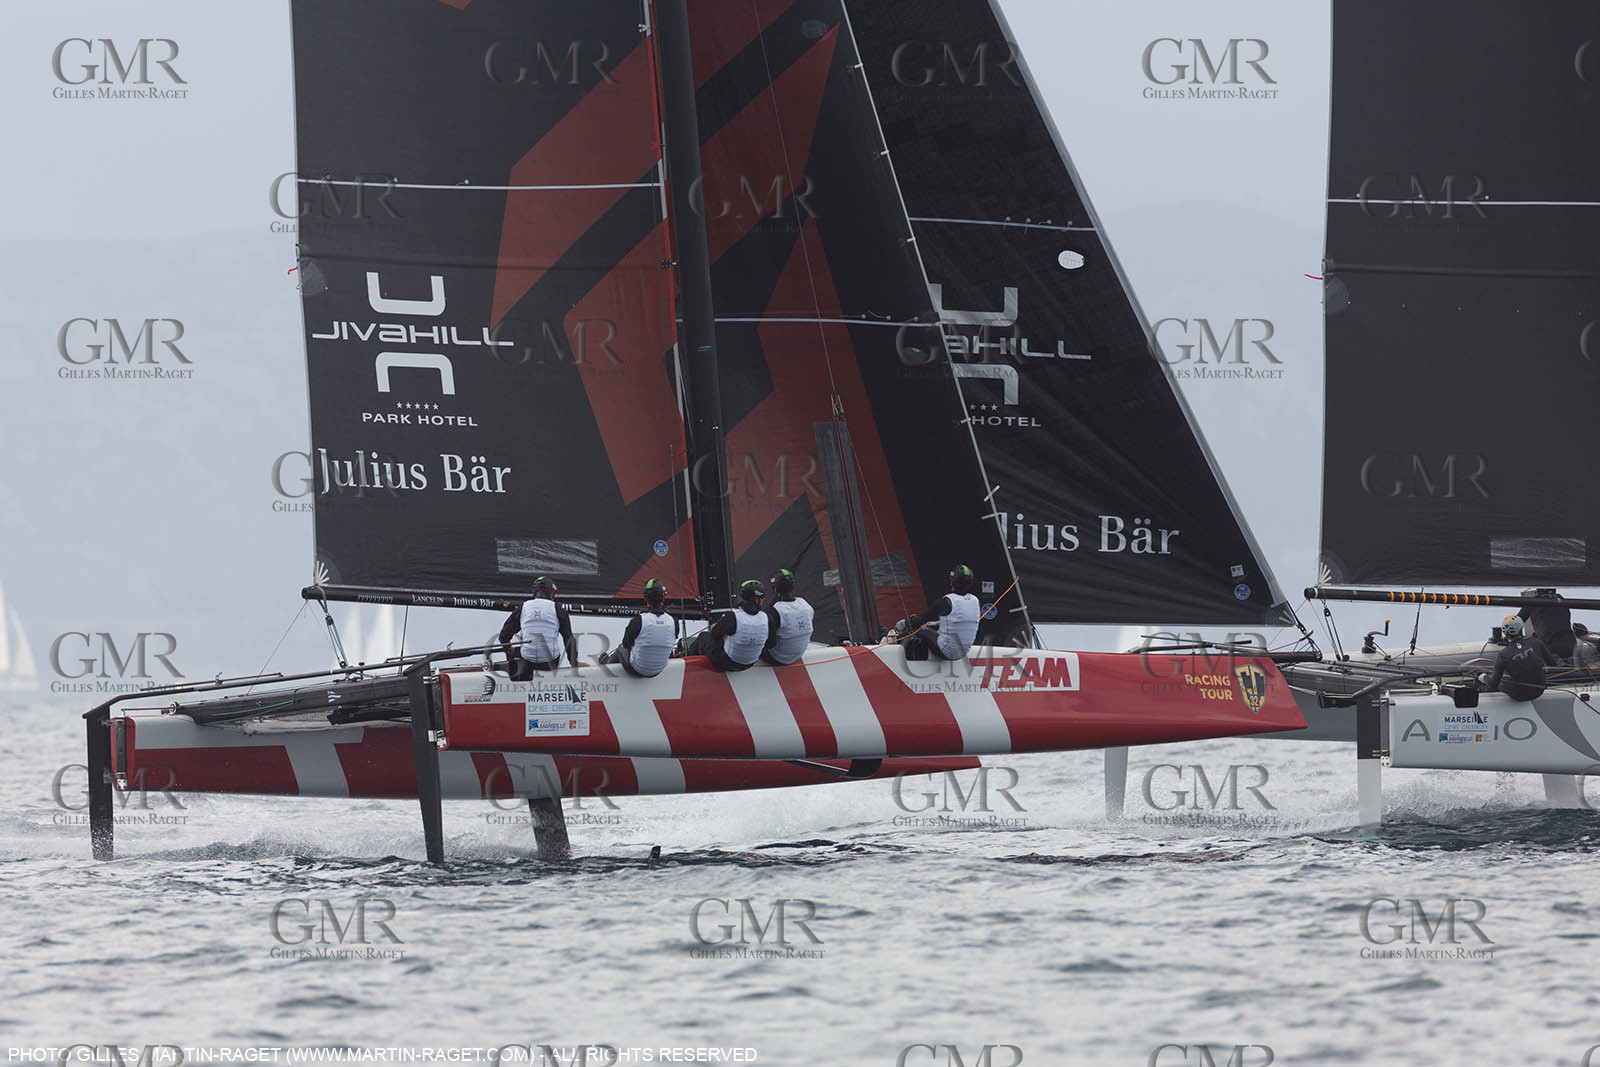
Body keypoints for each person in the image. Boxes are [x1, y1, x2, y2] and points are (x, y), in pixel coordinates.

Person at [895, 564, 982, 661]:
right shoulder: (975, 600)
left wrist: (904, 623)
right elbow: (960, 621)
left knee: (917, 629)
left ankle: (895, 646)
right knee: (929, 629)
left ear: (952, 581)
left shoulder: (946, 602)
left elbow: (919, 620)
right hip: (963, 652)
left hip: (946, 652)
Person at [498, 576, 576, 679]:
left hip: (527, 661)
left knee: (518, 650)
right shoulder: (558, 609)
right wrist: (575, 664)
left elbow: (503, 637)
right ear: (552, 593)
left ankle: (517, 681)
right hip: (550, 662)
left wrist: (509, 650)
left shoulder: (523, 607)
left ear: (534, 593)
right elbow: (568, 638)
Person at [685, 579, 772, 672]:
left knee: (703, 637)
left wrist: (715, 627)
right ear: (760, 599)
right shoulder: (767, 618)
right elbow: (771, 643)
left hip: (728, 663)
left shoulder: (733, 616)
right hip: (751, 663)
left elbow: (714, 635)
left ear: (743, 596)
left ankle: (686, 665)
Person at [599, 578, 678, 678]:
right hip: (659, 670)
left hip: (637, 669)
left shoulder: (638, 621)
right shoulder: (673, 621)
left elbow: (626, 644)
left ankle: (605, 664)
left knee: (621, 648)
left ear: (645, 598)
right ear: (663, 597)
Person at [1482, 615, 1558, 701]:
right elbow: (1553, 664)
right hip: (1540, 689)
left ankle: (1481, 681)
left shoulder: (1503, 655)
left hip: (1520, 696)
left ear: (1505, 633)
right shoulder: (1536, 642)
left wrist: (1484, 678)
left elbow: (1492, 685)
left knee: (1502, 682)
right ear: (1521, 629)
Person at [761, 568, 814, 666]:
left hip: (778, 658)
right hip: (798, 655)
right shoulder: (805, 604)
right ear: (792, 587)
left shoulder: (775, 611)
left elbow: (769, 642)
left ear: (775, 589)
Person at [1518, 592, 1577, 661]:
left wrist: (1519, 641)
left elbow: (1516, 622)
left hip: (1549, 648)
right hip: (1572, 646)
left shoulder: (1532, 601)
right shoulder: (1560, 599)